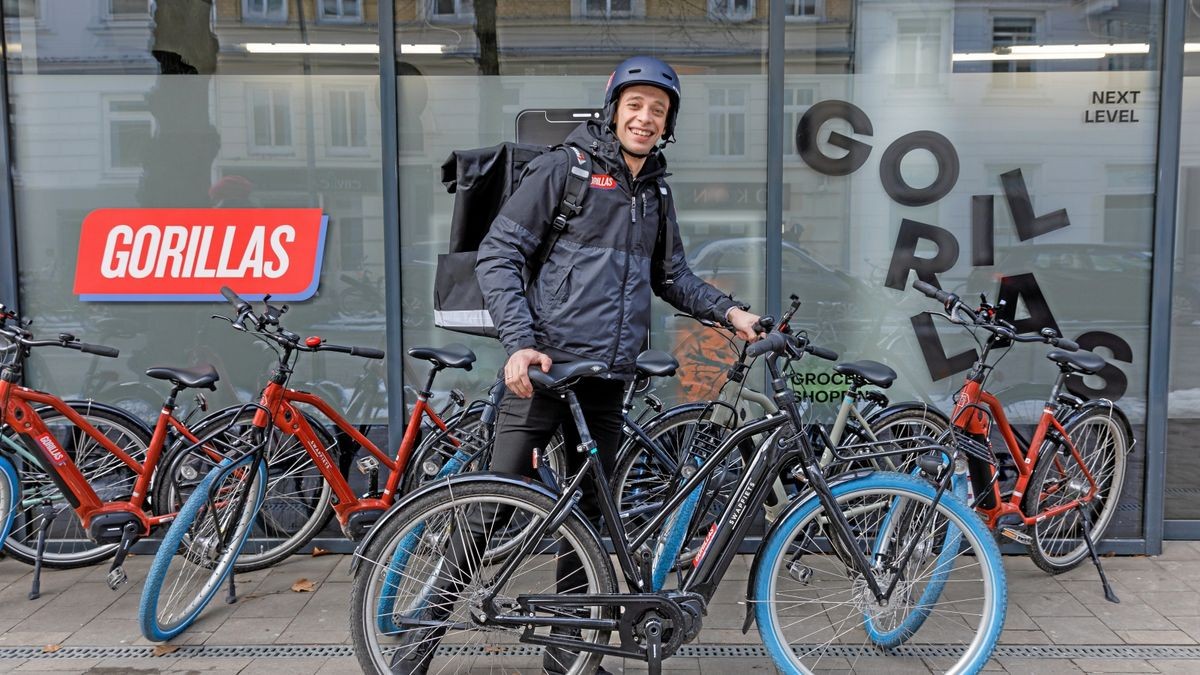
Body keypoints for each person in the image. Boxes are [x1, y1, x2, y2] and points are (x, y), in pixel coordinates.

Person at [397, 55, 761, 675]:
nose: (645, 118)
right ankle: (419, 641)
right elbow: (499, 254)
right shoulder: (564, 168)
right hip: (544, 370)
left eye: (658, 110)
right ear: (614, 108)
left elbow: (671, 275)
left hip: (607, 378)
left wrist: (732, 313)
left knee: (590, 516)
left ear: (668, 123)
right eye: (635, 105)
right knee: (493, 504)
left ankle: (570, 650)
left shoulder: (655, 190)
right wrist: (519, 343)